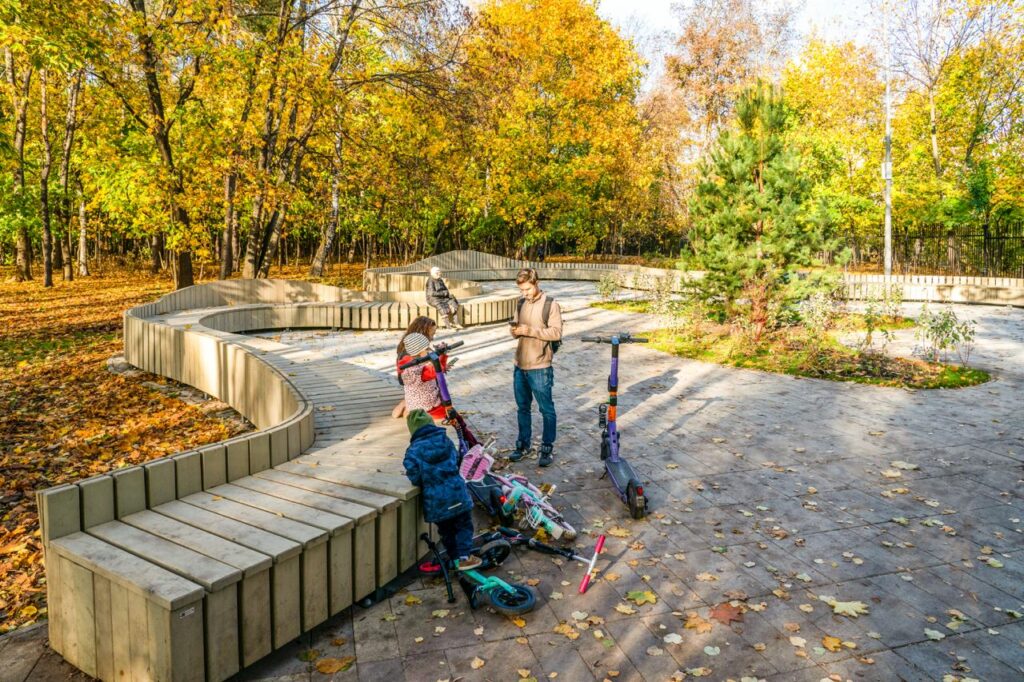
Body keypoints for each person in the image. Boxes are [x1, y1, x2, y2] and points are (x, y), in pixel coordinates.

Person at [403, 409, 481, 571]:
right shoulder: (445, 440)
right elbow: (456, 460)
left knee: (446, 531)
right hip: (457, 493)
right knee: (464, 525)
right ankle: (465, 556)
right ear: (431, 424)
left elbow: (415, 477)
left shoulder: (412, 451)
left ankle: (454, 557)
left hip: (437, 501)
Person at [509, 268, 562, 467]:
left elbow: (556, 332)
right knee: (522, 408)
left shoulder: (551, 304)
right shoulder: (520, 302)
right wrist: (514, 331)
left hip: (540, 366)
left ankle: (547, 448)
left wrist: (529, 330)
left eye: (527, 289)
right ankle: (523, 445)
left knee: (546, 409)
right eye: (522, 290)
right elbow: (515, 328)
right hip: (519, 364)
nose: (525, 293)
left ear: (536, 282)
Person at [392, 317, 439, 419]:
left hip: (419, 386)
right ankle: (407, 404)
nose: (433, 337)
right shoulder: (409, 353)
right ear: (423, 332)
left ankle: (408, 403)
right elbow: (403, 378)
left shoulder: (414, 346)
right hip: (417, 387)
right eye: (432, 333)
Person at [397, 332, 450, 420]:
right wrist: (443, 355)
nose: (429, 351)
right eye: (427, 349)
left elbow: (437, 369)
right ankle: (410, 414)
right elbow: (437, 370)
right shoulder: (420, 371)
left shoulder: (409, 364)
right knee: (446, 413)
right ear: (419, 351)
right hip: (426, 408)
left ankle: (408, 409)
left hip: (415, 402)